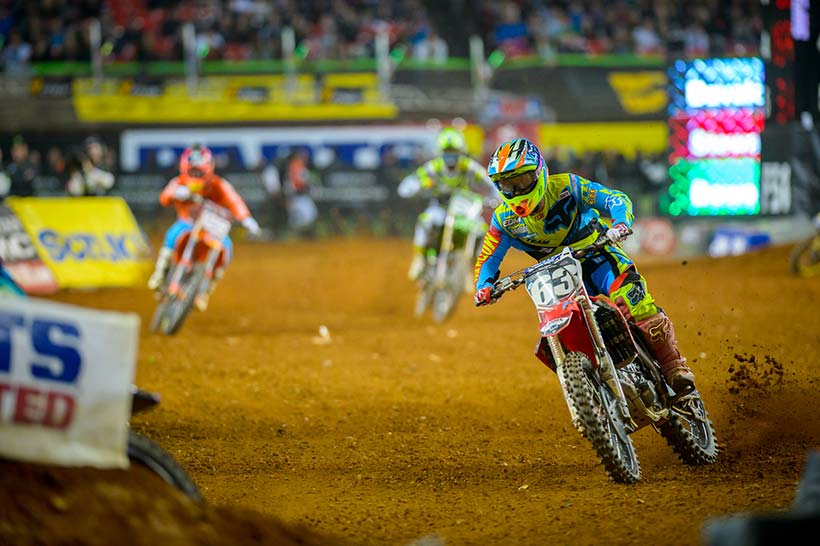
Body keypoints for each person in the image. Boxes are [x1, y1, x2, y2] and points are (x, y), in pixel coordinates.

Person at [473, 138, 695, 394]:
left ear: (538, 173)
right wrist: (483, 286)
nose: (515, 191)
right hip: (555, 275)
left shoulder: (567, 186)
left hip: (598, 256)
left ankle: (673, 366)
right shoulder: (504, 219)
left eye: (521, 181)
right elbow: (488, 257)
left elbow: (613, 199)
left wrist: (620, 223)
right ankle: (592, 385)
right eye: (507, 185)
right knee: (560, 327)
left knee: (634, 300)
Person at [147, 144, 261, 311]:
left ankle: (205, 290)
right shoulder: (178, 182)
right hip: (187, 224)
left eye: (199, 172)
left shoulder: (218, 184)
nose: (196, 176)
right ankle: (160, 273)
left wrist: (246, 219)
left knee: (227, 249)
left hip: (212, 229)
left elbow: (234, 200)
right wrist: (176, 193)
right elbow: (164, 198)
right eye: (192, 171)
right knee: (173, 234)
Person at [398, 127, 499, 281]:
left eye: (454, 151)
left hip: (464, 211)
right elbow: (410, 183)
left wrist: (496, 197)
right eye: (447, 151)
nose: (451, 156)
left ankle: (473, 268)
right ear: (440, 152)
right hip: (440, 207)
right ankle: (419, 259)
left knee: (481, 230)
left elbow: (491, 183)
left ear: (461, 151)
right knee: (426, 222)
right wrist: (417, 186)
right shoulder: (434, 167)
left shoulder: (469, 167)